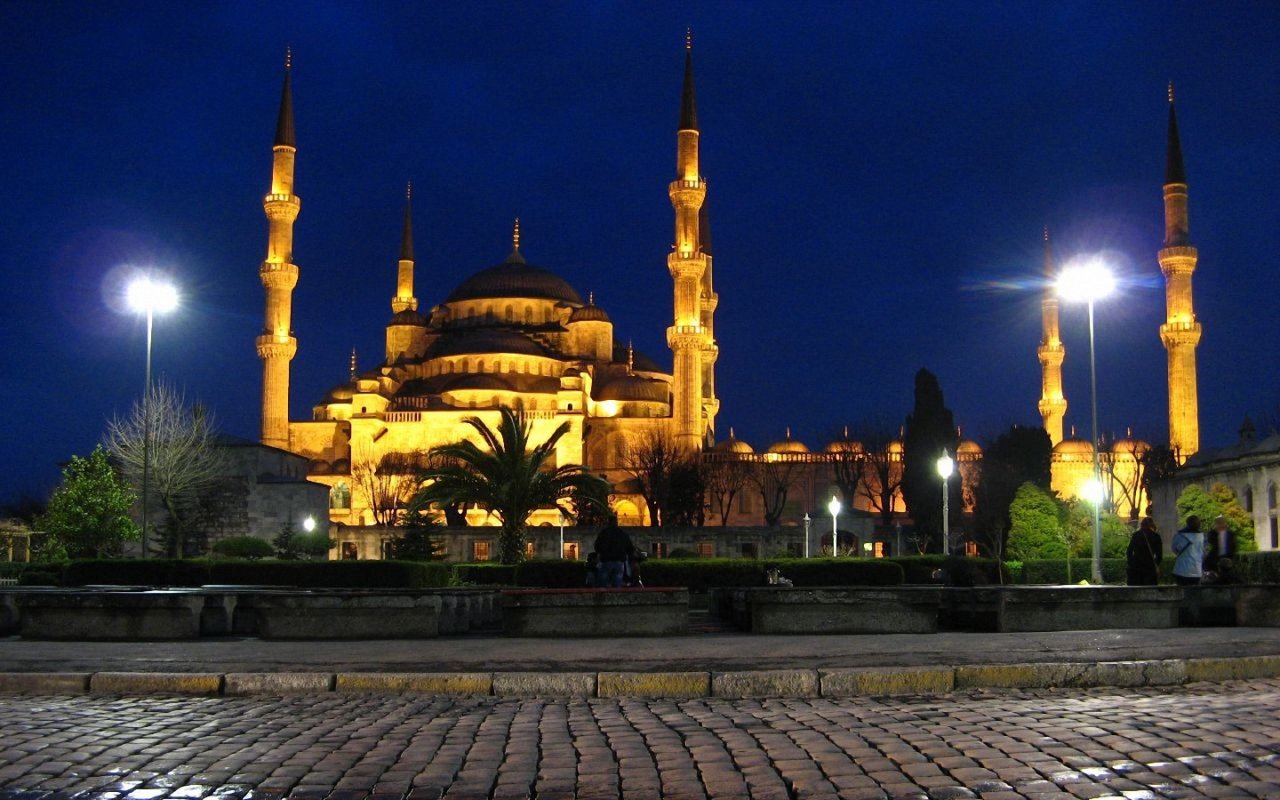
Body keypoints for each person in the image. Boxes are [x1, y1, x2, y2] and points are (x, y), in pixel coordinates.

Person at [593, 515, 634, 589]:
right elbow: (629, 547)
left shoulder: (604, 533)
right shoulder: (622, 533)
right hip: (619, 560)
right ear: (616, 522)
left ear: (608, 522)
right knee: (618, 579)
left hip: (606, 560)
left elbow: (597, 545)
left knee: (604, 580)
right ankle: (616, 596)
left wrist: (601, 553)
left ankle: (603, 597)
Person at [1126, 517, 1163, 585]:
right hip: (1149, 568)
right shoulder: (1156, 536)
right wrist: (1155, 564)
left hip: (1136, 567)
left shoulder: (1136, 535)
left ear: (1142, 524)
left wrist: (1131, 563)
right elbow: (1159, 555)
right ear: (1152, 525)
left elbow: (1129, 551)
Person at [1171, 515, 1205, 586]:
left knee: (1181, 592)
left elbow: (1174, 549)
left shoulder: (1180, 535)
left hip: (1182, 570)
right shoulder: (1202, 537)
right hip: (1196, 570)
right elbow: (1203, 552)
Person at [1203, 514, 1234, 580]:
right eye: (1219, 523)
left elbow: (1233, 548)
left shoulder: (1230, 534)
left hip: (1227, 561)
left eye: (1223, 523)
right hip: (1214, 562)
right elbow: (1209, 545)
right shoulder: (1212, 534)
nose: (1221, 525)